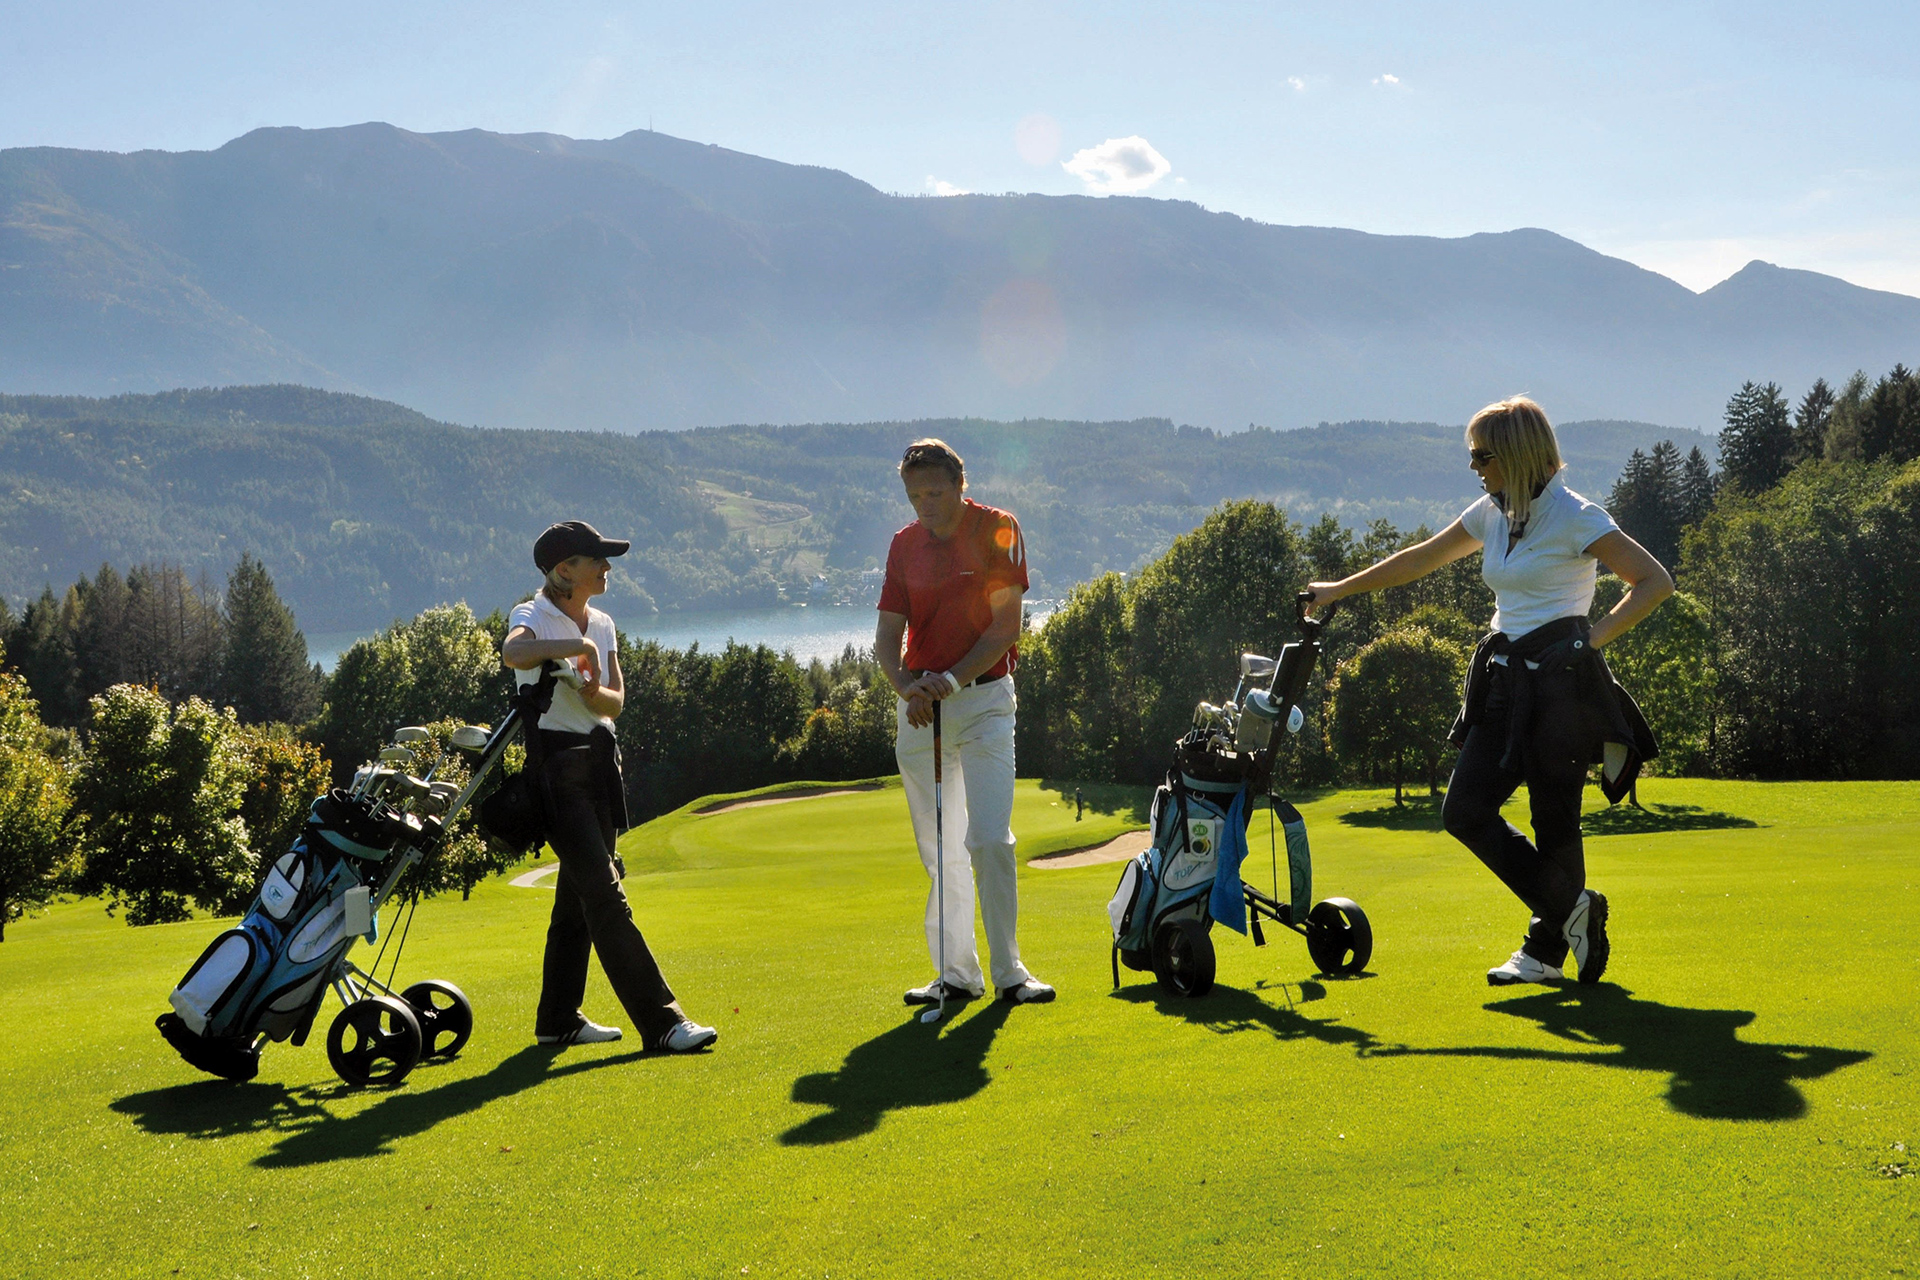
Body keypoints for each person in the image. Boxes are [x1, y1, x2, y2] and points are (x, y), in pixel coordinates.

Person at [1302, 397, 1671, 986]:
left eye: (1483, 456)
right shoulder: (1494, 512)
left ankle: (1544, 951)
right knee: (1465, 810)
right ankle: (1571, 908)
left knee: (1556, 824)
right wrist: (1339, 589)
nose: (1475, 466)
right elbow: (1422, 558)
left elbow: (1654, 581)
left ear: (1517, 455)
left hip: (1563, 688)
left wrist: (1589, 642)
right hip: (1504, 684)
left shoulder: (1577, 516)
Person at [501, 520, 718, 1053]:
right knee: (604, 894)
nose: (607, 567)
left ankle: (558, 1020)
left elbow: (615, 702)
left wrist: (593, 685)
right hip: (555, 771)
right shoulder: (531, 615)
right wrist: (579, 648)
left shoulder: (605, 621)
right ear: (562, 570)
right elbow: (514, 653)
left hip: (600, 766)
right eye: (595, 558)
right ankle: (663, 1022)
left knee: (575, 901)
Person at [876, 439, 1055, 1008]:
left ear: (959, 485)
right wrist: (907, 687)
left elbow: (1005, 629)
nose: (923, 504)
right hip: (920, 712)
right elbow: (886, 639)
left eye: (933, 492)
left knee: (989, 840)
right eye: (913, 495)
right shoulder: (904, 544)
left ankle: (1011, 973)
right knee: (941, 852)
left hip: (982, 703)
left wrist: (946, 683)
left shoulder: (999, 528)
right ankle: (955, 975)